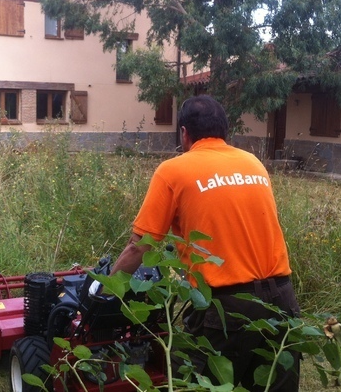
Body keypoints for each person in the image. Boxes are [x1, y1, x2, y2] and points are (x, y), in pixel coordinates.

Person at [109, 95, 300, 391]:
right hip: (283, 301)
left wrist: (105, 289)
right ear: (225, 131)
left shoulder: (173, 170)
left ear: (184, 133)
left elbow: (139, 247)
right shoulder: (253, 163)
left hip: (227, 310)